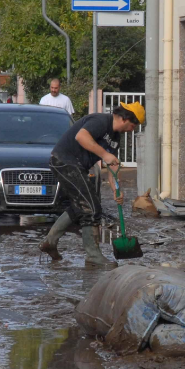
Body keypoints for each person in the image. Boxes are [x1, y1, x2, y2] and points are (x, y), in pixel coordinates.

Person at [39, 102, 145, 266]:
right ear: (126, 118)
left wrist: (116, 188)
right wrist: (104, 154)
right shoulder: (101, 121)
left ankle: (49, 242)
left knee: (80, 206)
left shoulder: (116, 138)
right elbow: (81, 137)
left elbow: (112, 164)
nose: (133, 129)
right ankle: (93, 256)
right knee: (91, 207)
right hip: (64, 161)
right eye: (134, 125)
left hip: (76, 166)